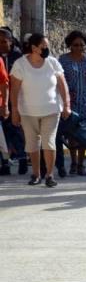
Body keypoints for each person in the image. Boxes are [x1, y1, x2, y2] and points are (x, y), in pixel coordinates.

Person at [9, 33, 71, 187]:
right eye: (43, 46)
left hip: (51, 110)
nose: (46, 49)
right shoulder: (20, 64)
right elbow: (15, 90)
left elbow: (62, 86)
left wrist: (67, 105)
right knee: (32, 144)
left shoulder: (53, 63)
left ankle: (50, 175)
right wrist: (15, 111)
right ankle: (36, 174)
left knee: (49, 142)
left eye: (47, 46)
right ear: (34, 48)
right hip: (28, 112)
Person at [58, 30, 86, 176]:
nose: (79, 48)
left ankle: (82, 164)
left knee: (84, 133)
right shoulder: (63, 60)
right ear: (70, 45)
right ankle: (73, 162)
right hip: (71, 101)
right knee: (72, 134)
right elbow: (59, 79)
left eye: (82, 45)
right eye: (75, 45)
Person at [0, 28, 26, 175]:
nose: (1, 45)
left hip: (16, 100)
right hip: (2, 100)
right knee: (2, 134)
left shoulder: (18, 57)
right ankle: (5, 164)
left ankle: (22, 159)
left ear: (10, 41)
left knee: (16, 131)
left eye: (4, 41)